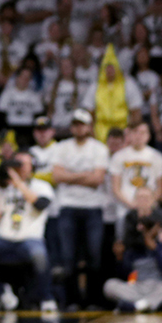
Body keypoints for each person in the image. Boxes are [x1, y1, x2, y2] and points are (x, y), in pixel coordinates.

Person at [0, 152, 57, 313]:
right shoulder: (4, 188)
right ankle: (1, 294)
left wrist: (18, 182)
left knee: (39, 255)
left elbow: (40, 204)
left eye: (23, 164)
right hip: (2, 238)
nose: (18, 167)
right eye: (16, 164)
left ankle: (46, 297)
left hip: (30, 238)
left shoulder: (41, 186)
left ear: (32, 167)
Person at [49, 109, 109, 307]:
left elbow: (98, 179)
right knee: (68, 256)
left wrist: (71, 176)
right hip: (67, 206)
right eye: (75, 124)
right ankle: (72, 300)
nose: (78, 128)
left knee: (94, 255)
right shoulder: (61, 147)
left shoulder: (99, 148)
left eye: (82, 124)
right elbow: (57, 177)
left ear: (90, 127)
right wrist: (85, 175)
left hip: (93, 207)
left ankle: (93, 300)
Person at [105, 212, 162, 312]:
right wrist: (120, 257)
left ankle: (138, 305)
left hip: (158, 286)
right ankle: (147, 304)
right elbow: (125, 274)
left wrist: (156, 249)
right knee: (109, 285)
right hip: (137, 287)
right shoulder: (134, 248)